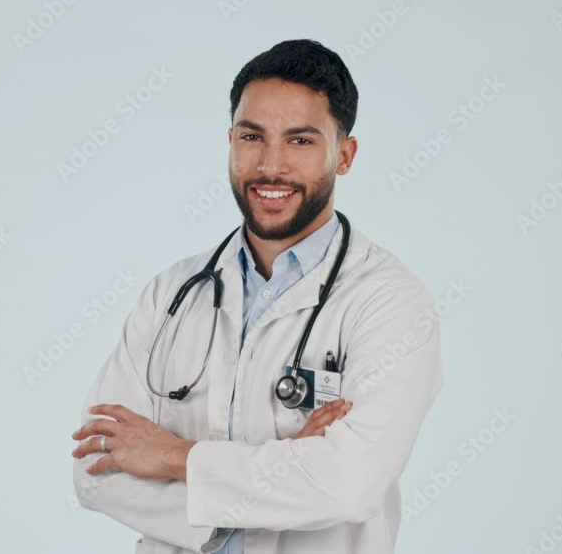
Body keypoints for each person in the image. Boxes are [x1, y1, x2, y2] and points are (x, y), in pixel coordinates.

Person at [71, 38, 443, 554]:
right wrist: (284, 476)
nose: (271, 166)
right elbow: (95, 470)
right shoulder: (172, 294)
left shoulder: (388, 302)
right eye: (252, 136)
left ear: (345, 154)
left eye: (301, 141)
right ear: (230, 141)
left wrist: (174, 458)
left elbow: (349, 484)